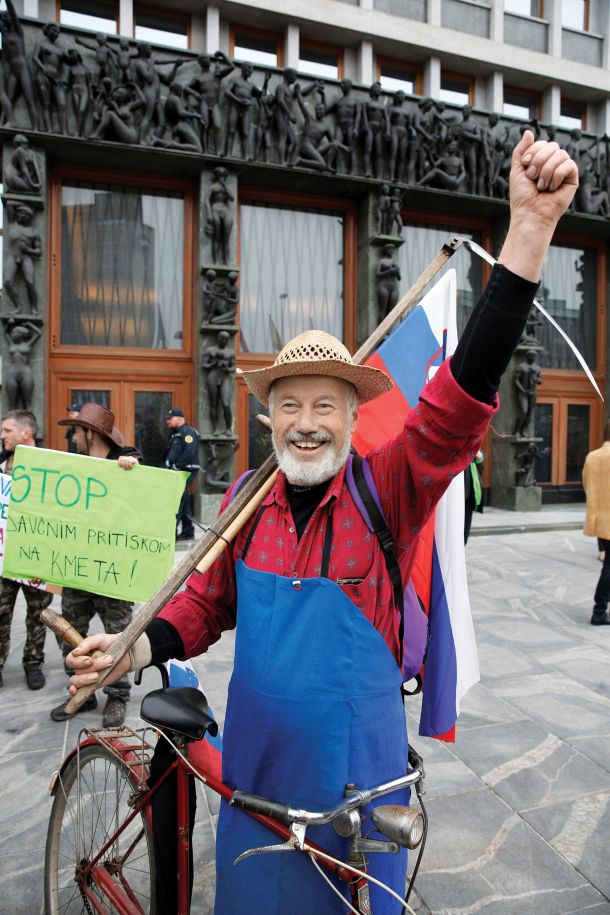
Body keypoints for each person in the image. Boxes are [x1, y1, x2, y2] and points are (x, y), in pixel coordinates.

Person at [65, 132, 578, 915]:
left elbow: (461, 394)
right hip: (255, 781)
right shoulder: (246, 498)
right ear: (269, 416)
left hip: (353, 793)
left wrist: (529, 232)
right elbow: (203, 605)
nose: (306, 424)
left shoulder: (388, 490)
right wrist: (134, 645)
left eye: (325, 406)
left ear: (350, 416)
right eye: (290, 405)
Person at [50, 403, 140, 726]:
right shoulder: (71, 468)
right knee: (69, 633)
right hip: (77, 572)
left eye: (75, 431)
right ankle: (82, 690)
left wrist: (132, 465)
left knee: (117, 635)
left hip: (112, 575)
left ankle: (116, 695)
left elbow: (144, 497)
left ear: (89, 433)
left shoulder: (125, 464)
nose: (72, 437)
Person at [0, 410, 53, 690]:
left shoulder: (52, 466)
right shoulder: (1, 465)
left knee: (37, 613)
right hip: (4, 557)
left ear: (26, 433)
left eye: (7, 430)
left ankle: (33, 663)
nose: (2, 436)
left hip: (36, 557)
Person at [583, 419, 610, 625]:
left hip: (601, 519)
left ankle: (600, 609)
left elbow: (587, 485)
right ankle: (599, 610)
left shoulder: (592, 456)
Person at [165, 408, 200, 541]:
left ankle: (173, 532)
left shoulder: (188, 432)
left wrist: (176, 466)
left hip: (186, 471)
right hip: (177, 472)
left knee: (179, 500)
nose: (167, 421)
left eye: (171, 418)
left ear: (179, 419)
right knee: (183, 499)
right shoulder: (175, 433)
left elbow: (189, 453)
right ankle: (187, 531)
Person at [464, 450, 484, 544]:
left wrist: (479, 456)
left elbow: (480, 470)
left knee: (465, 530)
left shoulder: (475, 456)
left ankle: (461, 555)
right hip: (457, 500)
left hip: (469, 498)